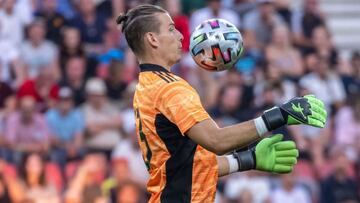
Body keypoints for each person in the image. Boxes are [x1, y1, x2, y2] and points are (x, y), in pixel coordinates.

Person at [116, 4, 327, 202]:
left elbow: (186, 165)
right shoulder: (170, 88)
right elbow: (216, 141)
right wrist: (278, 115)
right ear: (152, 39)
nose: (181, 36)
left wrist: (247, 159)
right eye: (171, 29)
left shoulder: (146, 86)